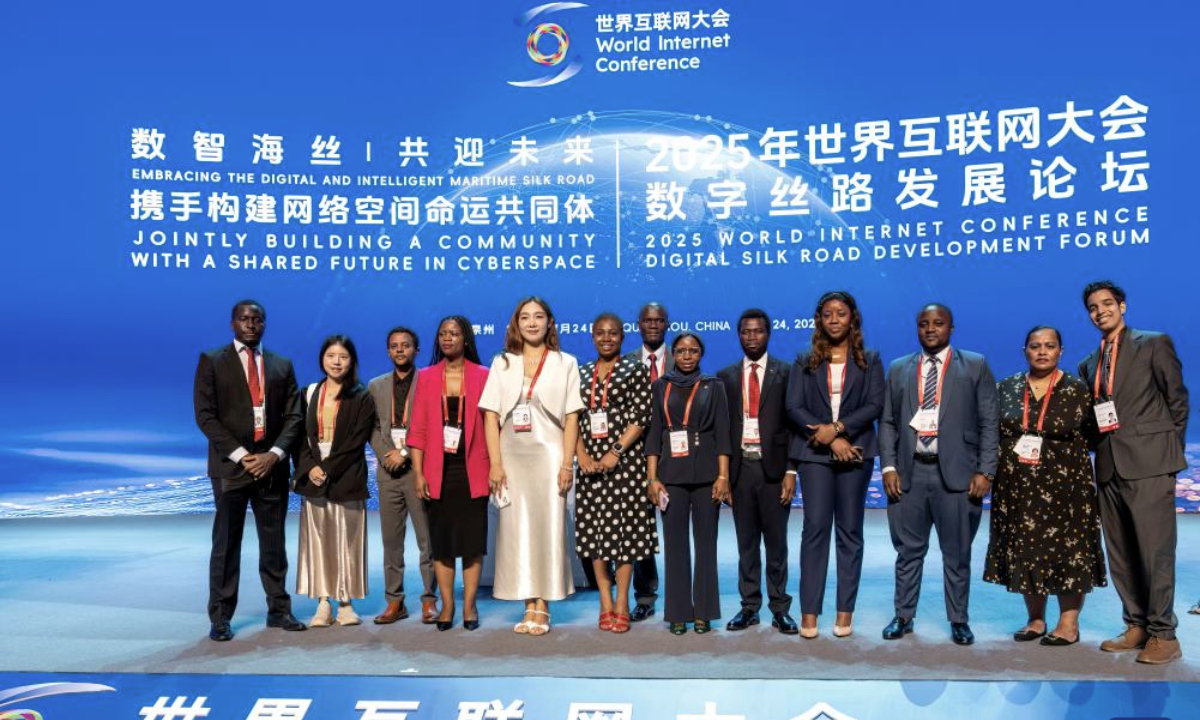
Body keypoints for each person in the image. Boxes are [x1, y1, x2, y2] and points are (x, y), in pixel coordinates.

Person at [1078, 281, 1189, 664]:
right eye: (1093, 307)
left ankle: (1164, 634)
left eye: (1107, 304)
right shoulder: (1088, 364)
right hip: (1108, 465)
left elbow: (1177, 399)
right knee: (1121, 554)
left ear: (1122, 306)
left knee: (1155, 552)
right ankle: (1137, 624)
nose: (1100, 311)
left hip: (1151, 462)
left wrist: (1168, 453)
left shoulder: (1153, 343)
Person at [878, 303, 998, 646]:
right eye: (924, 324)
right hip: (910, 474)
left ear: (951, 328)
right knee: (908, 552)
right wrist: (888, 466)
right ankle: (903, 616)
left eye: (938, 323)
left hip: (958, 478)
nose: (931, 329)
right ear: (917, 328)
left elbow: (989, 422)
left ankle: (959, 619)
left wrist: (986, 470)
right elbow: (887, 422)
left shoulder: (974, 365)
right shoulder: (900, 368)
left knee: (957, 554)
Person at [983, 326, 1107, 646]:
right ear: (1024, 350)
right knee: (1026, 548)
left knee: (1069, 551)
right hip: (1018, 486)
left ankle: (1069, 623)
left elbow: (1097, 434)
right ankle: (1035, 619)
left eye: (1049, 346)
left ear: (1060, 351)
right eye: (1035, 346)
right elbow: (991, 432)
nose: (1042, 351)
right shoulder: (1005, 387)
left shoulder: (1079, 389)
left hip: (1068, 488)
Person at [193, 299, 306, 642]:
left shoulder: (281, 365)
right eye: (244, 319)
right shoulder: (212, 361)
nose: (251, 324)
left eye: (257, 319)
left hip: (271, 467)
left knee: (274, 543)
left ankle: (279, 610)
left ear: (264, 324)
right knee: (227, 544)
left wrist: (273, 454)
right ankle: (221, 616)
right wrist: (244, 455)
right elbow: (206, 416)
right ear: (233, 324)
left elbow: (294, 416)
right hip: (231, 467)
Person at [480, 297, 584, 636]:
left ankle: (545, 605)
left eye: (539, 317)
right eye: (525, 317)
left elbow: (572, 417)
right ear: (515, 324)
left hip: (550, 455)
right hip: (512, 456)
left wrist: (568, 463)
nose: (532, 323)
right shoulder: (503, 363)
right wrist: (495, 463)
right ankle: (528, 603)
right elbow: (491, 415)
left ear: (550, 322)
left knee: (549, 528)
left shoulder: (565, 362)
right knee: (516, 529)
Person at [786, 291, 885, 639]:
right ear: (819, 319)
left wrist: (840, 430)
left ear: (852, 318)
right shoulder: (804, 360)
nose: (834, 319)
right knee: (814, 530)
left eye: (840, 313)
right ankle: (809, 613)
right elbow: (794, 407)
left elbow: (874, 405)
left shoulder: (870, 360)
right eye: (827, 314)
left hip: (855, 452)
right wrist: (829, 437)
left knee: (850, 533)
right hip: (814, 454)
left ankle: (845, 612)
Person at [575, 313, 658, 633]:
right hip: (589, 467)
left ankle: (623, 600)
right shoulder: (580, 374)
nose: (606, 338)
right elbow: (573, 418)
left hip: (626, 465)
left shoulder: (635, 369)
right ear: (593, 337)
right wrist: (580, 454)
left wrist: (615, 453)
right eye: (600, 333)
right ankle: (605, 602)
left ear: (622, 337)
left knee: (625, 535)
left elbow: (641, 417)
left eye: (612, 334)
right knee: (597, 535)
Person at [718, 309, 798, 635]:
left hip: (774, 471)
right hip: (741, 470)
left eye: (758, 331)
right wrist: (722, 476)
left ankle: (780, 608)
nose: (752, 337)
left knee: (776, 544)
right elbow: (720, 431)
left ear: (769, 334)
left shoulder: (788, 373)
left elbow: (794, 427)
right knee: (746, 544)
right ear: (738, 335)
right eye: (746, 332)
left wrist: (791, 471)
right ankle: (749, 607)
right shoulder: (725, 377)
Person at [645, 332, 732, 635]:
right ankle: (679, 612)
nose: (686, 356)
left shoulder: (714, 386)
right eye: (680, 351)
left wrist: (723, 476)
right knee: (676, 546)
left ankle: (704, 612)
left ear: (700, 354)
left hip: (708, 475)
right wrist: (652, 478)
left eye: (692, 351)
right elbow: (654, 435)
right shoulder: (660, 386)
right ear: (674, 354)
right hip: (671, 476)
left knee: (706, 546)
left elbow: (723, 434)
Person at [408, 316, 491, 631]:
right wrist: (418, 472)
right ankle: (447, 604)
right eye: (442, 333)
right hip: (437, 470)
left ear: (465, 339)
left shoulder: (483, 376)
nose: (447, 338)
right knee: (441, 544)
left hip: (473, 469)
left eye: (454, 334)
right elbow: (418, 430)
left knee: (471, 543)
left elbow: (492, 427)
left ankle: (469, 605)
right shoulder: (427, 377)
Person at [292, 335, 377, 627]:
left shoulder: (362, 395)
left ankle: (346, 603)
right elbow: (299, 437)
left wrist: (327, 468)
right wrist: (308, 467)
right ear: (322, 359)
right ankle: (323, 603)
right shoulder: (309, 393)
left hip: (346, 475)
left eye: (342, 356)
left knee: (347, 542)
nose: (336, 361)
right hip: (314, 476)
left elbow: (356, 442)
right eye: (331, 356)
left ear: (351, 360)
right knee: (319, 542)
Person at [367, 326, 438, 625]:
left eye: (406, 345)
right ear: (388, 351)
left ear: (416, 350)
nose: (400, 350)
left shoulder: (430, 381)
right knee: (391, 542)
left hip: (419, 471)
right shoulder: (375, 385)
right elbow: (370, 427)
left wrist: (405, 452)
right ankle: (394, 602)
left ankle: (429, 601)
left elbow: (433, 424)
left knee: (427, 541)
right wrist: (387, 454)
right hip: (388, 472)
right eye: (394, 346)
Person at [621, 301, 672, 622]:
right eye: (647, 321)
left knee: (678, 529)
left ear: (667, 324)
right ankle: (645, 594)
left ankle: (685, 589)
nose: (653, 326)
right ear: (638, 325)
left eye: (659, 321)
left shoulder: (683, 357)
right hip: (637, 457)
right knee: (640, 530)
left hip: (678, 456)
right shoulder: (626, 363)